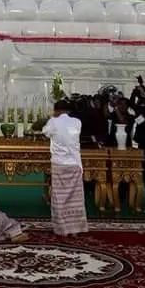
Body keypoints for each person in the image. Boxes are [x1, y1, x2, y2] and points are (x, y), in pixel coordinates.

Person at [42, 100, 88, 236]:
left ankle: (62, 229)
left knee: (59, 197)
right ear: (68, 110)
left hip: (59, 164)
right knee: (75, 198)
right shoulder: (77, 122)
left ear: (56, 110)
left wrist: (52, 118)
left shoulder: (53, 122)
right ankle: (75, 229)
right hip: (74, 163)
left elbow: (45, 132)